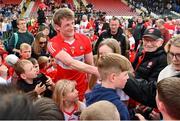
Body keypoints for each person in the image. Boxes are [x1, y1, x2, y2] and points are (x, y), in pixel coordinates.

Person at [47, 8, 98, 101]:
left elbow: (90, 64)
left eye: (73, 23)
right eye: (67, 25)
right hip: (63, 90)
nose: (72, 27)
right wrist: (98, 71)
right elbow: (70, 63)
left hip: (82, 88)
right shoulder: (52, 43)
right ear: (57, 27)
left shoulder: (85, 39)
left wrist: (90, 88)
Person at [123, 35, 180, 108]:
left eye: (179, 55)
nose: (174, 59)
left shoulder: (162, 61)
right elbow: (154, 91)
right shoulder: (167, 70)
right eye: (172, 54)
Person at [85, 53, 131, 120]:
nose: (127, 77)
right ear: (113, 77)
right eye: (125, 74)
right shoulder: (119, 108)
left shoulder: (93, 94)